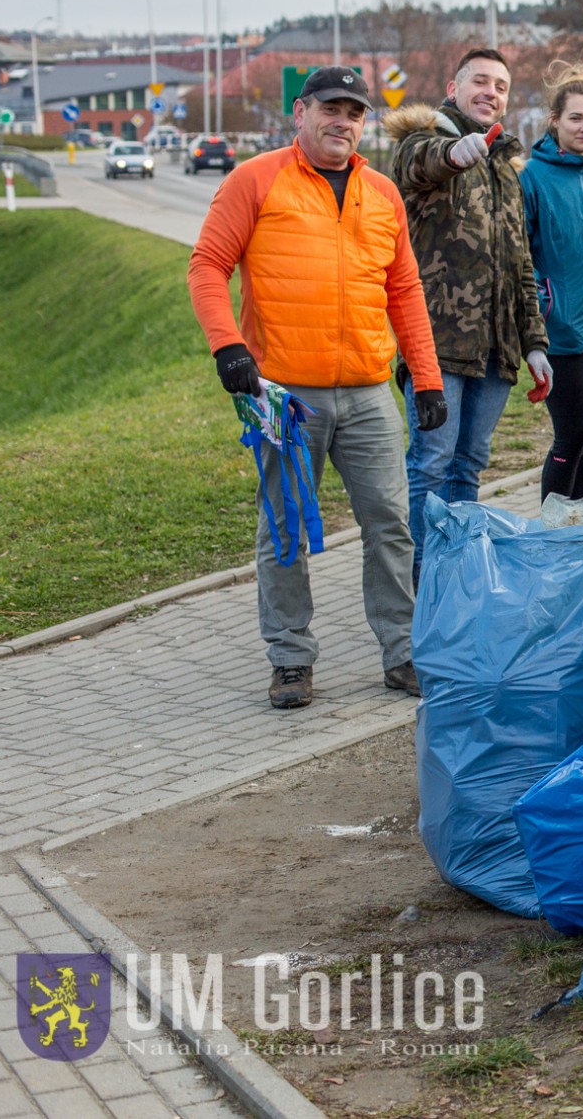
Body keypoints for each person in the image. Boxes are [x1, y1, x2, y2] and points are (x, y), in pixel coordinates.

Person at [187, 67, 442, 710]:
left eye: (354, 113)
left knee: (390, 523)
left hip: (367, 391)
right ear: (300, 112)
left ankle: (403, 652)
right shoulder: (254, 179)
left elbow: (405, 290)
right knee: (285, 529)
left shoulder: (382, 193)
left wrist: (427, 379)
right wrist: (228, 347)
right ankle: (291, 659)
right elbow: (207, 266)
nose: (343, 122)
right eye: (331, 108)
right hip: (284, 395)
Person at [387, 47, 551, 578]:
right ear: (454, 88)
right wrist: (456, 154)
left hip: (496, 347)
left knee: (468, 467)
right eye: (480, 81)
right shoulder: (425, 139)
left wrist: (535, 343)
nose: (491, 92)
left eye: (501, 85)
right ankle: (423, 582)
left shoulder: (508, 166)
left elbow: (521, 262)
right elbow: (417, 165)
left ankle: (458, 582)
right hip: (437, 342)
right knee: (432, 463)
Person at [523, 59, 583, 501]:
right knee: (572, 433)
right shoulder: (533, 177)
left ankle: (577, 532)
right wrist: (540, 305)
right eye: (576, 117)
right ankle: (552, 531)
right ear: (555, 120)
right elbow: (521, 253)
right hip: (559, 327)